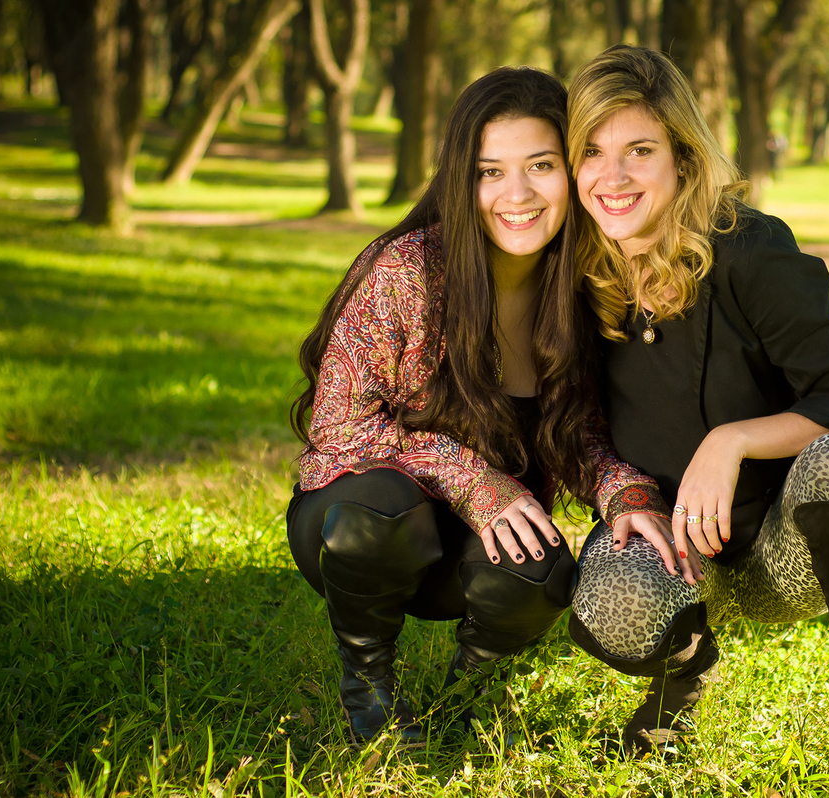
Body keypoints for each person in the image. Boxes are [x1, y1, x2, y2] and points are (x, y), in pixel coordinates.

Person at [563, 46, 829, 797]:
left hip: (782, 546)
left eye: (639, 151)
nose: (613, 177)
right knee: (610, 607)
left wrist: (735, 440)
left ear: (683, 156)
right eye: (591, 152)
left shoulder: (752, 249)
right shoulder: (575, 272)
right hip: (674, 553)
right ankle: (682, 675)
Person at [287, 66, 672, 747]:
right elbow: (337, 425)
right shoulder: (407, 270)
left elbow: (581, 435)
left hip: (473, 550)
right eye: (490, 172)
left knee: (543, 571)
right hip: (359, 526)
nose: (516, 195)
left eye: (541, 166)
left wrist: (625, 493)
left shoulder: (584, 288)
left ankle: (462, 700)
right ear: (460, 182)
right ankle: (368, 687)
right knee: (376, 514)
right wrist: (473, 480)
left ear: (573, 173)